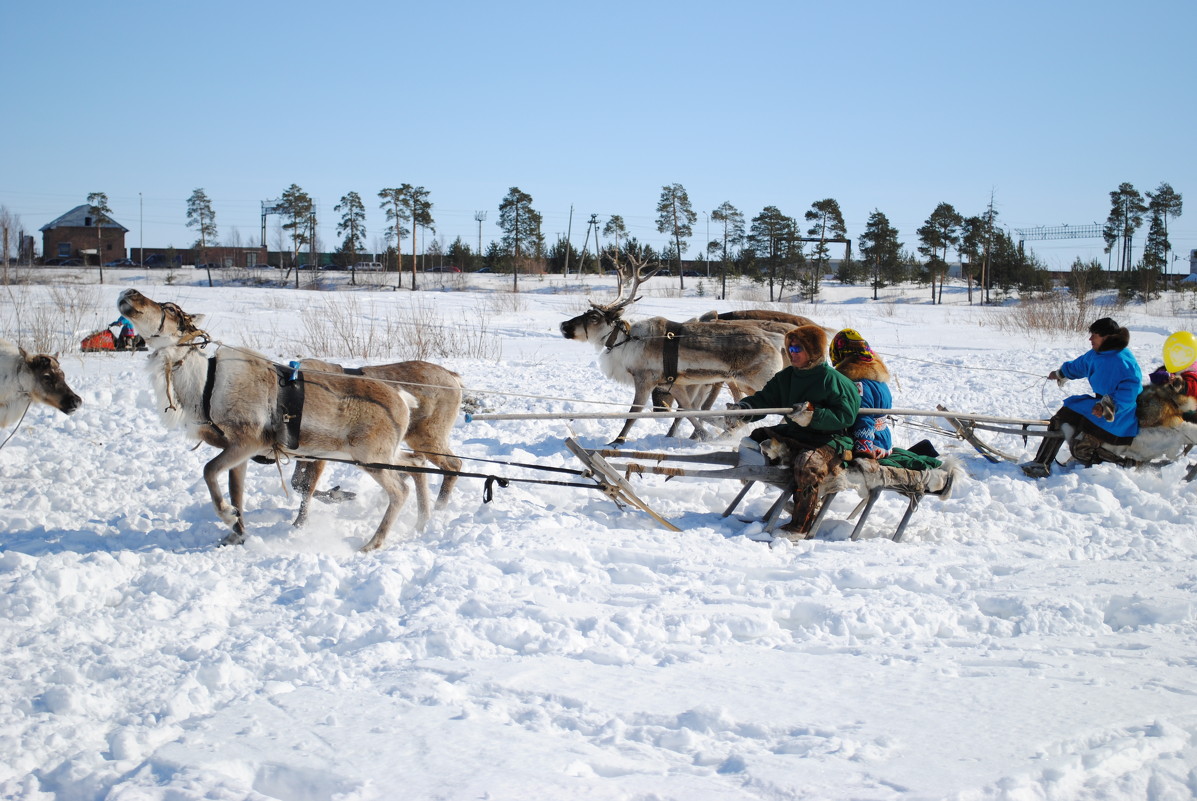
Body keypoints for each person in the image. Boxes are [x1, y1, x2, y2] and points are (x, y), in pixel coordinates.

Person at [727, 324, 860, 537]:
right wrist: (744, 409)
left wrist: (812, 415)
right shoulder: (787, 377)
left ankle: (801, 525)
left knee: (808, 463)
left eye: (798, 349)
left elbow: (845, 417)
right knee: (757, 437)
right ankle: (765, 474)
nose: (792, 353)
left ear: (814, 351)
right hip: (798, 434)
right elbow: (767, 399)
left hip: (831, 440)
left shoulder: (836, 381)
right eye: (790, 348)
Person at [1021, 317, 1142, 478]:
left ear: (1106, 337)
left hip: (1118, 418)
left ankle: (1124, 463)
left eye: (1094, 335)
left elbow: (1130, 392)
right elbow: (1080, 365)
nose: (1090, 339)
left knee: (1081, 450)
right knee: (1062, 417)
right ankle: (1041, 463)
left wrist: (1109, 406)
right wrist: (1061, 373)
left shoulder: (1122, 361)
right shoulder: (1097, 354)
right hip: (1098, 407)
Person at [829, 328, 892, 459]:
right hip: (883, 439)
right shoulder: (876, 374)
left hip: (873, 445)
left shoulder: (858, 383)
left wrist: (864, 449)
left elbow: (864, 415)